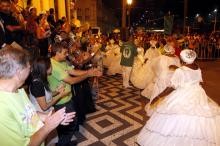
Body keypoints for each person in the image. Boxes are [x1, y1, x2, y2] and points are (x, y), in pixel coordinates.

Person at [137, 49, 220, 146]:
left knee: (177, 116)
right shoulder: (197, 67)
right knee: (198, 116)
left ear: (182, 59)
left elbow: (171, 87)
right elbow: (199, 81)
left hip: (183, 94)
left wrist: (158, 96)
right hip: (197, 93)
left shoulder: (180, 70)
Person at [0, 47, 75, 146]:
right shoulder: (2, 107)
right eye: (29, 68)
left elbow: (27, 115)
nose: (30, 72)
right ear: (19, 72)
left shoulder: (17, 90)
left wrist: (50, 118)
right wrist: (48, 127)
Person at [48, 42, 101, 146]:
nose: (67, 55)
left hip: (67, 97)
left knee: (68, 124)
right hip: (60, 100)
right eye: (64, 53)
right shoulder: (54, 66)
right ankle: (62, 144)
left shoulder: (61, 62)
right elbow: (71, 81)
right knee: (70, 124)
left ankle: (64, 142)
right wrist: (87, 75)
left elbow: (73, 71)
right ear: (57, 53)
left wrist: (89, 72)